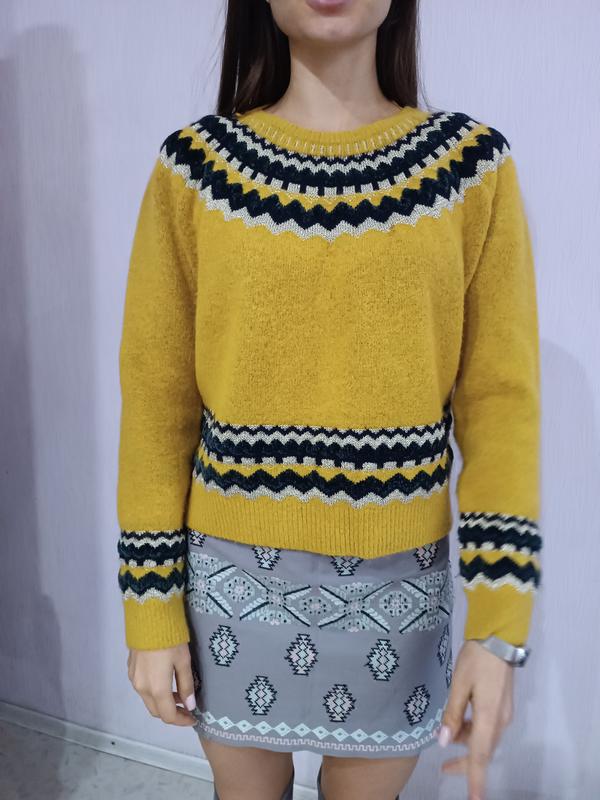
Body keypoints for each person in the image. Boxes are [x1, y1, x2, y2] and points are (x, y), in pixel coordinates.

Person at [116, 1, 542, 799]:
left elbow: (501, 407)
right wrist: (150, 609)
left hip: (400, 592)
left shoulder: (471, 169)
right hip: (229, 588)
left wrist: (499, 628)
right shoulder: (195, 170)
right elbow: (154, 407)